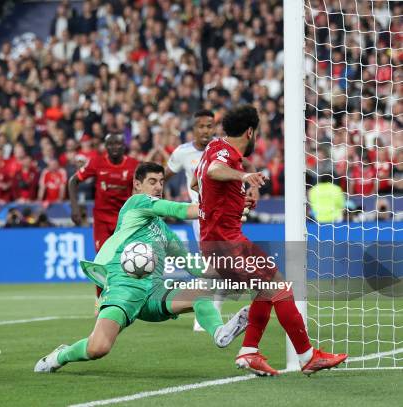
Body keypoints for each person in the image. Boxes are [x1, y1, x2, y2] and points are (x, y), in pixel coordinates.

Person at [34, 162, 250, 373]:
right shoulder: (136, 204)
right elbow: (176, 208)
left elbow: (195, 266)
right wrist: (227, 207)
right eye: (152, 181)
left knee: (199, 293)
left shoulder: (165, 233)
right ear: (137, 185)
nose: (158, 187)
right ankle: (61, 355)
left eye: (161, 182)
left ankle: (219, 332)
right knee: (98, 348)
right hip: (123, 286)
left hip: (154, 292)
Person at [193, 105, 347, 375]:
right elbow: (213, 172)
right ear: (250, 132)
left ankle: (249, 351)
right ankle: (308, 357)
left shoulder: (215, 146)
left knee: (271, 283)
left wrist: (238, 194)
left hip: (227, 239)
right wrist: (243, 177)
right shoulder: (223, 154)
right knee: (279, 290)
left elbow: (198, 184)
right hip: (225, 243)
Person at [165, 110, 259, 331]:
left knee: (223, 268)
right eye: (202, 126)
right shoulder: (183, 152)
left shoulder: (221, 147)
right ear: (194, 128)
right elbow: (171, 177)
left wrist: (249, 188)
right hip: (204, 215)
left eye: (210, 126)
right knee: (222, 268)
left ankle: (208, 310)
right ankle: (203, 309)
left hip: (223, 212)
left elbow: (248, 166)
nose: (206, 130)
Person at [68, 133, 139, 308]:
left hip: (124, 220)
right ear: (105, 147)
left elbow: (143, 188)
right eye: (111, 144)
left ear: (124, 146)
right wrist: (75, 208)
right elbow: (73, 181)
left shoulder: (133, 165)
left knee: (127, 260)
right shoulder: (97, 162)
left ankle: (128, 298)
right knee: (102, 261)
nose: (115, 147)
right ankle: (100, 301)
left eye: (118, 144)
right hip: (101, 219)